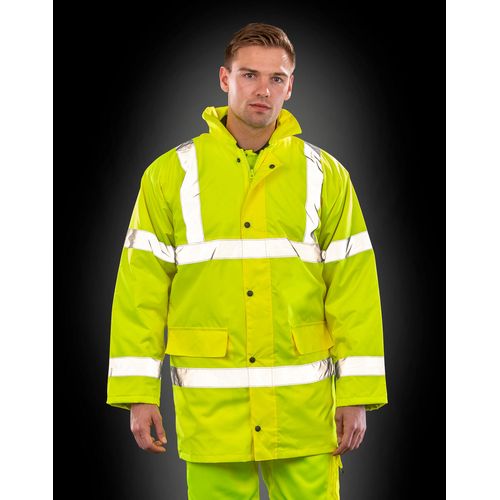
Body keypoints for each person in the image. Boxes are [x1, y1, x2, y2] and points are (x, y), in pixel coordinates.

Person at [106, 22, 388, 499]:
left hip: (303, 412)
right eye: (249, 75)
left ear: (291, 86)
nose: (263, 90)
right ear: (225, 78)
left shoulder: (326, 176)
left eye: (277, 78)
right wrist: (138, 392)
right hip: (214, 414)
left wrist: (357, 394)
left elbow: (353, 289)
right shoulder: (170, 175)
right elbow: (141, 291)